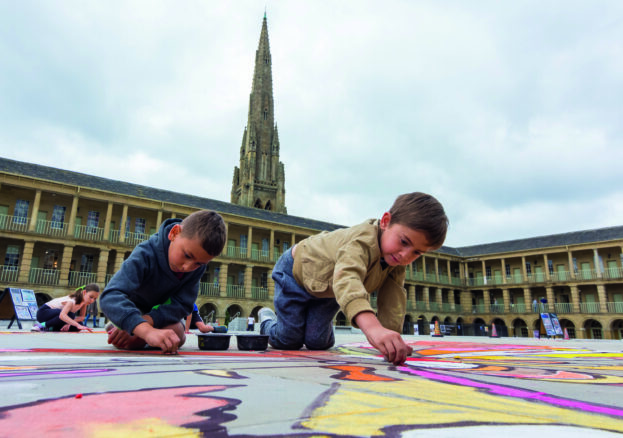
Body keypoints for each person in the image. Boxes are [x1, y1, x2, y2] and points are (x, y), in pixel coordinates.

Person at [259, 192, 448, 366]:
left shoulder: (396, 262)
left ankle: (309, 324)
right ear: (385, 221)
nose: (405, 255)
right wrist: (373, 328)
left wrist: (389, 338)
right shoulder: (362, 239)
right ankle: (267, 319)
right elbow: (347, 277)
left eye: (417, 252)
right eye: (404, 242)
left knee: (318, 343)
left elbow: (393, 299)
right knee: (288, 339)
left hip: (328, 291)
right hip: (296, 274)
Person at [100, 210, 226, 354]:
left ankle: (139, 333)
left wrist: (148, 322)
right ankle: (132, 329)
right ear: (174, 233)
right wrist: (143, 329)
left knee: (178, 335)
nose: (188, 267)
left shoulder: (196, 267)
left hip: (159, 318)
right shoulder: (145, 253)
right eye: (187, 255)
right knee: (128, 334)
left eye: (198, 263)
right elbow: (110, 296)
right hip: (133, 310)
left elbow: (183, 305)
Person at [31, 284, 100, 332]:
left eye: (95, 299)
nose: (92, 300)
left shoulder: (84, 303)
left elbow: (81, 317)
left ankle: (51, 328)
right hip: (44, 313)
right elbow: (62, 315)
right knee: (71, 316)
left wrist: (70, 323)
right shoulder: (72, 301)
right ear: (84, 292)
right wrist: (75, 323)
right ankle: (41, 325)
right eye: (91, 297)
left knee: (77, 326)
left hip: (56, 316)